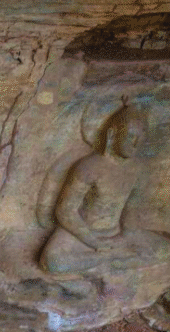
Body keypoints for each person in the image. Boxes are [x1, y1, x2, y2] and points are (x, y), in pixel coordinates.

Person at [40, 105, 168, 274]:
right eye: (130, 136)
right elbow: (65, 210)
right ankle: (110, 259)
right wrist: (94, 242)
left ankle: (105, 260)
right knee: (53, 262)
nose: (136, 143)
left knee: (165, 249)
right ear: (112, 135)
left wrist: (126, 235)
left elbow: (131, 209)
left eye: (141, 138)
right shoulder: (89, 167)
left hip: (115, 233)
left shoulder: (137, 169)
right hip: (81, 233)